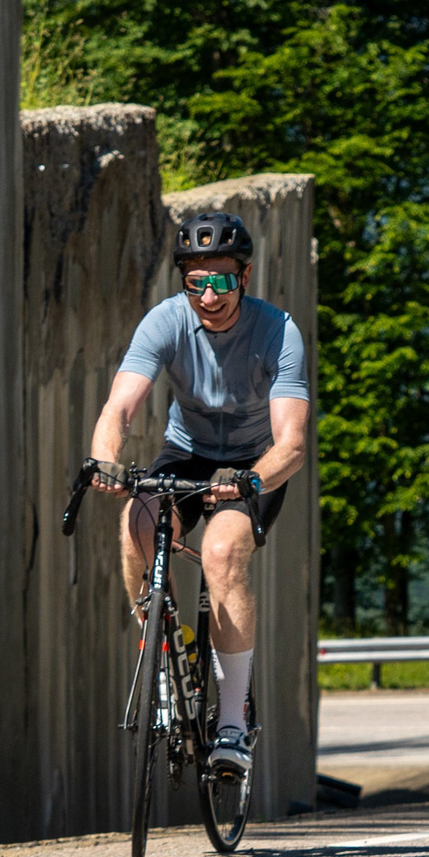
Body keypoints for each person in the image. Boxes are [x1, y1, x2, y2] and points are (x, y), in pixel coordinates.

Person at [89, 212, 311, 775]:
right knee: (139, 525)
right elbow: (119, 406)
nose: (209, 296)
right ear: (182, 281)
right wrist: (107, 460)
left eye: (222, 282)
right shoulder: (163, 322)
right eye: (196, 283)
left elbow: (292, 444)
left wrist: (249, 479)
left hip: (255, 463)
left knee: (220, 553)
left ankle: (232, 721)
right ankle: (159, 644)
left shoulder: (277, 330)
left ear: (246, 276)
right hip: (186, 453)